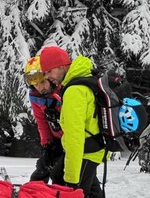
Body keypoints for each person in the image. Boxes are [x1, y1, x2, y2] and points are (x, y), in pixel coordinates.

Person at [39, 46, 102, 198]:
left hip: (84, 153)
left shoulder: (75, 91)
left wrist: (72, 180)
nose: (47, 77)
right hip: (88, 150)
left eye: (49, 71)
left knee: (69, 190)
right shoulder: (81, 81)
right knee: (58, 176)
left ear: (61, 66)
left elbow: (75, 136)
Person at [24, 56, 64, 184]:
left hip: (73, 140)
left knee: (60, 174)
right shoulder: (35, 95)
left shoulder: (64, 92)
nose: (39, 88)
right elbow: (41, 121)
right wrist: (47, 145)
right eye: (35, 85)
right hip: (56, 139)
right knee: (42, 167)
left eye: (42, 82)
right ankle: (34, 192)